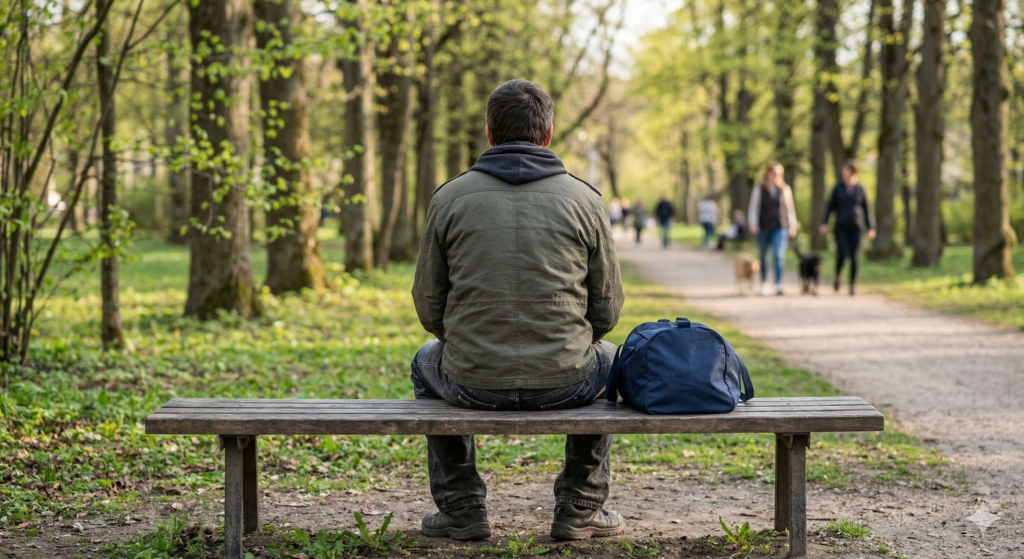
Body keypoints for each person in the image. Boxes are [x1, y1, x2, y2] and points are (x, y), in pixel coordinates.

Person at [411, 79, 626, 543]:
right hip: (568, 381)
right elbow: (607, 308)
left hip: (470, 381)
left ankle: (462, 508)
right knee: (612, 360)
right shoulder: (586, 200)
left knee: (423, 360)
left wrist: (460, 342)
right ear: (548, 135)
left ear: (490, 133)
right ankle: (580, 506)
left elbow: (429, 306)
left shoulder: (448, 198)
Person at [819, 159, 876, 296]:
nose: (844, 174)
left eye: (847, 171)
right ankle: (838, 276)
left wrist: (871, 227)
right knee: (842, 253)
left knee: (855, 256)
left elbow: (867, 209)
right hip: (841, 226)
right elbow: (830, 206)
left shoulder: (861, 188)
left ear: (853, 172)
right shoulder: (838, 187)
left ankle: (852, 285)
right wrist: (824, 222)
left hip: (857, 226)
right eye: (843, 172)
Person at [747, 162, 798, 296]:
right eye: (774, 173)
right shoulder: (759, 190)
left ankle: (779, 283)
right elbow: (753, 209)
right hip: (763, 227)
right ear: (768, 173)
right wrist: (753, 224)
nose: (777, 176)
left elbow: (790, 210)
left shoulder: (785, 189)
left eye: (779, 174)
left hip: (780, 227)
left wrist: (792, 226)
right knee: (763, 256)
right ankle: (764, 282)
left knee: (778, 255)